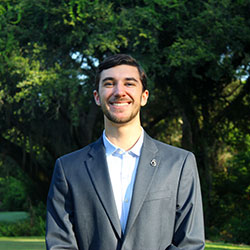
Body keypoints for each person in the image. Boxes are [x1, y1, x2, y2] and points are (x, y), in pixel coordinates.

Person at [46, 54, 205, 250]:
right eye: (109, 83)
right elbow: (59, 245)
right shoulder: (68, 168)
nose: (119, 91)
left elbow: (190, 244)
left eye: (129, 84)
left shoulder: (180, 164)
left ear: (144, 96)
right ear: (97, 97)